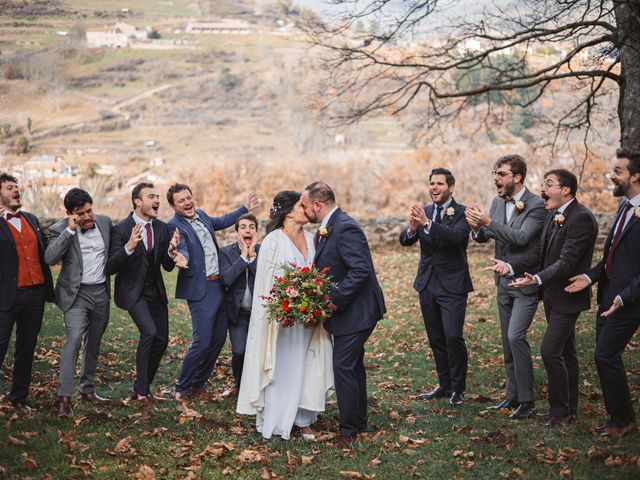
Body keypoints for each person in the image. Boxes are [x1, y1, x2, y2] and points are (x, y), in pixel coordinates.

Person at [237, 191, 333, 441]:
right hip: (281, 321)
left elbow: (318, 277)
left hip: (308, 318)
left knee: (306, 365)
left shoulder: (314, 239)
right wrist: (282, 308)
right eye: (303, 205)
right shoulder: (273, 242)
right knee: (283, 366)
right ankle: (278, 418)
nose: (308, 209)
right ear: (290, 211)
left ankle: (304, 420)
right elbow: (266, 285)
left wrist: (313, 304)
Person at [510, 169, 598, 427]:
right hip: (553, 295)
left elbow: (567, 262)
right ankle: (569, 410)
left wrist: (536, 279)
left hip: (569, 295)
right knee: (566, 352)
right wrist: (510, 265)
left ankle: (559, 411)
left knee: (550, 351)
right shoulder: (553, 215)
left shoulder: (581, 218)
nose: (542, 189)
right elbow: (539, 251)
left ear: (566, 190)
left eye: (548, 184)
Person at [301, 182, 385, 446]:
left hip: (358, 311)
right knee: (354, 366)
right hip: (352, 311)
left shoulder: (345, 227)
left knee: (343, 367)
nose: (303, 211)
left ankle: (349, 432)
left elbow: (360, 270)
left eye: (305, 205)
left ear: (317, 205)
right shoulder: (331, 226)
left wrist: (331, 300)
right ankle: (358, 424)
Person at [565, 148, 640, 437]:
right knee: (605, 356)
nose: (611, 175)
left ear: (635, 176)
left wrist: (624, 297)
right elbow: (610, 256)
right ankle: (619, 419)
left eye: (618, 171)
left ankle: (623, 420)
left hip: (629, 300)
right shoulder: (624, 208)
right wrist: (589, 276)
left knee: (605, 355)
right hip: (609, 296)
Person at [465, 155, 546, 419]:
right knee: (506, 341)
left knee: (516, 337)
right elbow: (485, 236)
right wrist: (476, 227)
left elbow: (521, 238)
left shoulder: (536, 205)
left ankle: (528, 401)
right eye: (495, 173)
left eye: (501, 174)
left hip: (525, 282)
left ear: (517, 177)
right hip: (502, 283)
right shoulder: (497, 203)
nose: (496, 178)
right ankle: (512, 396)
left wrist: (487, 222)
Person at [168, 184, 259, 399]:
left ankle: (199, 382)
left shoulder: (201, 215)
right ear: (173, 206)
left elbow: (223, 221)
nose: (187, 203)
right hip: (201, 288)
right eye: (181, 201)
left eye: (188, 197)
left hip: (219, 286)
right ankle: (182, 386)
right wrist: (179, 256)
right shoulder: (174, 226)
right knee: (202, 341)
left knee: (218, 339)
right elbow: (180, 248)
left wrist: (244, 208)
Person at [107, 183, 184, 410]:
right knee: (149, 332)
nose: (157, 200)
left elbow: (167, 267)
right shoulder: (121, 229)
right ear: (137, 202)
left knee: (161, 340)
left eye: (158, 197)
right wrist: (129, 246)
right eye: (152, 196)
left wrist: (171, 252)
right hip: (133, 292)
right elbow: (110, 266)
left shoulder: (161, 228)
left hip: (155, 292)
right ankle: (142, 394)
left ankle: (142, 386)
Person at [399, 168, 472, 408]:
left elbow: (457, 239)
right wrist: (411, 228)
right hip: (427, 283)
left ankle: (458, 388)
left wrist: (427, 223)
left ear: (451, 188)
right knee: (436, 337)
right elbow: (406, 240)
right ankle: (444, 383)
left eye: (439, 183)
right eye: (431, 183)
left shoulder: (462, 213)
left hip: (453, 285)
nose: (434, 187)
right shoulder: (425, 212)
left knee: (453, 336)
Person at [45, 188, 112, 416]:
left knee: (93, 342)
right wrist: (70, 231)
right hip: (76, 295)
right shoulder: (59, 229)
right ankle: (64, 397)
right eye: (80, 213)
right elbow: (49, 258)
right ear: (70, 214)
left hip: (101, 293)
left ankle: (87, 389)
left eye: (89, 211)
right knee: (74, 340)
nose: (87, 217)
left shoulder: (105, 223)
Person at [0, 173, 54, 410]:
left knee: (26, 348)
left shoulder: (31, 219)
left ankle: (18, 398)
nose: (16, 191)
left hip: (35, 295)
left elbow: (48, 249)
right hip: (6, 296)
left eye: (17, 187)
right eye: (10, 187)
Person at [219, 214, 260, 396]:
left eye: (252, 227)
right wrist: (243, 257)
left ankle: (257, 386)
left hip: (260, 314)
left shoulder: (263, 251)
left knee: (259, 353)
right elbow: (226, 279)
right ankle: (240, 385)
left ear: (257, 232)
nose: (247, 230)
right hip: (238, 314)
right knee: (240, 351)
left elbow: (266, 278)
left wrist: (252, 258)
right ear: (237, 233)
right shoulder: (226, 253)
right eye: (243, 227)